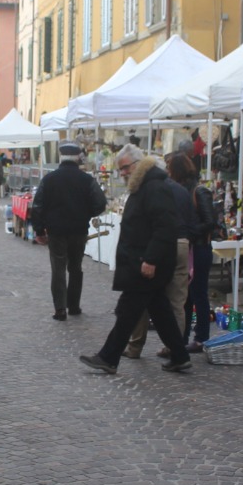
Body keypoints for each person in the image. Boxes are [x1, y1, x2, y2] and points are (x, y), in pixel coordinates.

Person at [78, 147, 193, 375]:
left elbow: (164, 226)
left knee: (128, 312)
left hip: (146, 262)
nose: (122, 173)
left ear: (138, 165)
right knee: (160, 312)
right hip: (142, 260)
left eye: (125, 167)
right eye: (120, 168)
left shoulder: (154, 187)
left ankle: (108, 357)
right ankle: (180, 356)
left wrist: (151, 259)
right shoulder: (146, 186)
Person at [126, 152, 196, 361]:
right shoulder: (182, 191)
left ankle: (135, 346)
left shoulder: (155, 189)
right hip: (183, 243)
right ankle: (176, 347)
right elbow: (192, 221)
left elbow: (155, 223)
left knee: (145, 295)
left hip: (163, 244)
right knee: (176, 300)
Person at [28, 140, 107, 321]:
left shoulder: (49, 179)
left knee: (58, 268)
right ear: (77, 159)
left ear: (61, 158)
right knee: (75, 268)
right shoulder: (87, 180)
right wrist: (87, 213)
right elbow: (100, 203)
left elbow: (38, 205)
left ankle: (60, 309)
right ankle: (74, 305)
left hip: (56, 230)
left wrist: (39, 230)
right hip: (79, 230)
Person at [183, 156, 221, 350]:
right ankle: (184, 337)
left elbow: (210, 222)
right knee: (188, 297)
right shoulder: (188, 191)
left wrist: (189, 231)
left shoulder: (199, 191)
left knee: (198, 294)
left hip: (199, 249)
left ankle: (201, 337)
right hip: (191, 248)